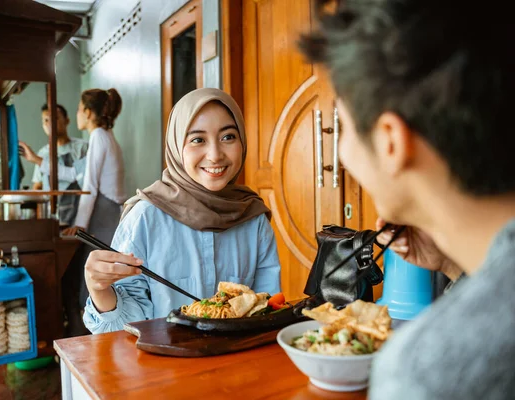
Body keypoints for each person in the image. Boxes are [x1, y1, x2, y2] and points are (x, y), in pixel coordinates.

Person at [300, 0, 514, 398]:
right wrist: (449, 262)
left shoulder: (428, 370)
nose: (342, 153)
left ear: (390, 142)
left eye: (342, 127)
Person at [82, 88, 281, 333]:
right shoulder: (145, 218)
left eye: (228, 137)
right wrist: (99, 289)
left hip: (238, 363)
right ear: (176, 146)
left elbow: (266, 309)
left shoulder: (253, 218)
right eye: (198, 140)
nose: (215, 155)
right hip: (165, 366)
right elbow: (124, 328)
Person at [62, 88, 127, 241]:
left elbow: (90, 184)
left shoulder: (98, 135)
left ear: (88, 112)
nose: (77, 114)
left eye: (79, 110)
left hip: (105, 213)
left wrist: (79, 224)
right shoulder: (107, 135)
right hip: (111, 210)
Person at [19, 104, 88, 226]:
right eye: (46, 120)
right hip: (51, 220)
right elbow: (38, 186)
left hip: (79, 220)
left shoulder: (82, 147)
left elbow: (88, 183)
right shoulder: (43, 153)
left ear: (67, 121)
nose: (49, 123)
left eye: (55, 118)